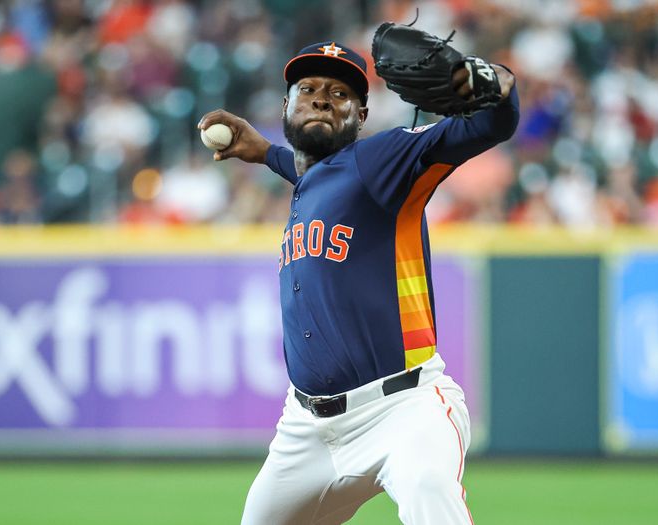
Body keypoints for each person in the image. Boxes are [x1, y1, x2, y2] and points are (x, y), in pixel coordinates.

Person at [199, 37, 518, 524]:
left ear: (362, 116)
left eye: (341, 92)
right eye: (308, 89)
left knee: (428, 489)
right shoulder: (310, 177)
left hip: (404, 410)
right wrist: (264, 152)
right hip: (305, 429)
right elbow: (311, 171)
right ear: (285, 106)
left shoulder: (382, 161)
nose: (323, 97)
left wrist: (493, 83)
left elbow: (491, 125)